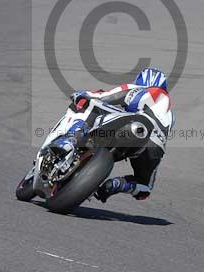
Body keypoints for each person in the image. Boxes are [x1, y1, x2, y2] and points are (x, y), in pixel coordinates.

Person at [50, 67, 173, 203]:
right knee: (145, 188)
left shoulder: (141, 90)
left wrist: (83, 95)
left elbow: (106, 96)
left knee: (91, 104)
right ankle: (117, 185)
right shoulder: (170, 114)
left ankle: (71, 139)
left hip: (133, 125)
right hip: (154, 147)